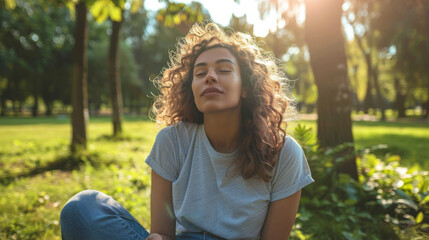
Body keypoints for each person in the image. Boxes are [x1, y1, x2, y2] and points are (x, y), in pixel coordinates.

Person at [60, 22, 314, 240]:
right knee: (82, 208)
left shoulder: (283, 152)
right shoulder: (172, 141)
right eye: (200, 73)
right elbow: (163, 233)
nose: (210, 77)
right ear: (191, 90)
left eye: (224, 70)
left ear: (245, 88)